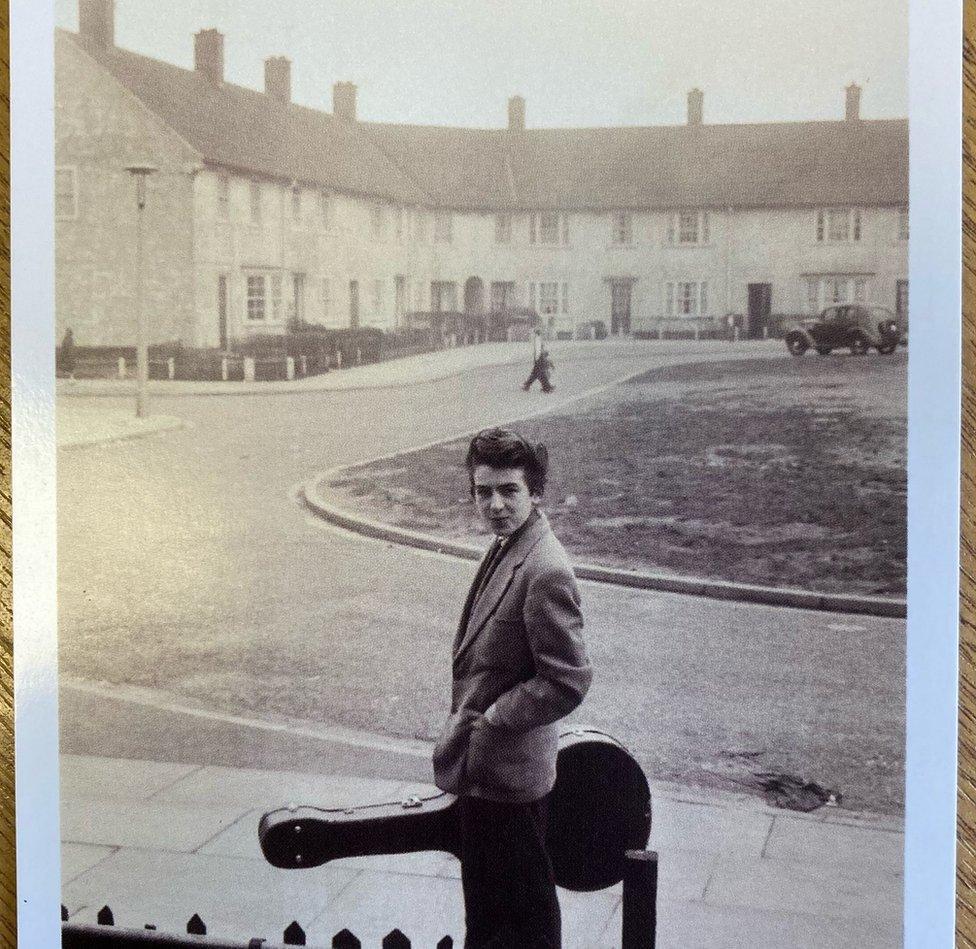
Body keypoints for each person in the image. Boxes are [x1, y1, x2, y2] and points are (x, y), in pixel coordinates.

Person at [432, 427, 592, 948]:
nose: (496, 505)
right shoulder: (508, 546)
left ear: (535, 493)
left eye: (509, 491)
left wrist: (500, 714)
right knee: (487, 917)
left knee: (524, 921)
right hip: (487, 770)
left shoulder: (544, 569)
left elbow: (567, 681)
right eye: (484, 492)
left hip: (511, 779)